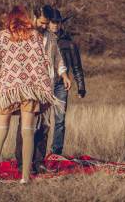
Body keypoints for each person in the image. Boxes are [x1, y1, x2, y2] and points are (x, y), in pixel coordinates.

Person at [0, 5, 63, 184]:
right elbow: (42, 65)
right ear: (25, 19)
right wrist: (46, 93)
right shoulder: (34, 37)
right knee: (28, 133)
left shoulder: (2, 37)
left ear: (9, 20)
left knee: (0, 134)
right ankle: (25, 178)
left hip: (7, 91)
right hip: (29, 91)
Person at [14, 4, 71, 174]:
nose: (45, 26)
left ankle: (39, 161)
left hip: (48, 87)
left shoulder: (52, 38)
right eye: (43, 22)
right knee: (26, 125)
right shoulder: (26, 36)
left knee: (44, 125)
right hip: (30, 87)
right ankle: (23, 163)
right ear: (34, 18)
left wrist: (65, 75)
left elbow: (58, 59)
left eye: (47, 23)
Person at [48, 8, 86, 155]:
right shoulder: (42, 39)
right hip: (44, 84)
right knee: (41, 122)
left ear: (61, 24)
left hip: (61, 85)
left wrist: (81, 86)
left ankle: (56, 153)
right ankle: (35, 155)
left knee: (60, 121)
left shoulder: (69, 43)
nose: (55, 25)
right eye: (53, 22)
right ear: (49, 23)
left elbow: (77, 66)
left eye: (58, 22)